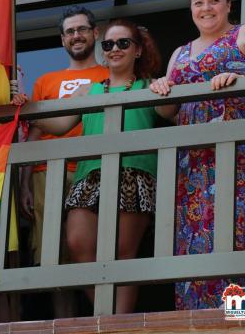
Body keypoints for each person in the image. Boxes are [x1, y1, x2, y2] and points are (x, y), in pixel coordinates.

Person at [150, 0, 245, 310]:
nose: (206, 8)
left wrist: (243, 78)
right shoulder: (180, 54)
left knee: (240, 234)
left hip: (241, 162)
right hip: (194, 168)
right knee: (198, 238)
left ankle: (241, 321)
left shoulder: (242, 35)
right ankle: (201, 322)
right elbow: (168, 111)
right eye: (199, 2)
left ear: (228, 5)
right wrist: (161, 89)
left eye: (214, 0)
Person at [29, 19, 161, 314]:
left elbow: (170, 109)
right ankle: (109, 315)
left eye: (123, 43)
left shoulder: (148, 85)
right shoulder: (89, 91)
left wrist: (166, 84)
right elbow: (60, 125)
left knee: (122, 254)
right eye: (109, 45)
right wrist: (25, 109)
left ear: (137, 50)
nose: (114, 49)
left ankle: (117, 323)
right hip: (89, 174)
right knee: (78, 245)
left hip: (133, 171)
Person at [21, 6, 109, 284]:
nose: (76, 35)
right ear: (62, 40)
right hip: (46, 172)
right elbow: (34, 132)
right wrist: (24, 183)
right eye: (69, 31)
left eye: (82, 29)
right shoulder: (45, 80)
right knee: (51, 253)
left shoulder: (110, 74)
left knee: (91, 247)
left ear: (95, 33)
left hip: (94, 168)